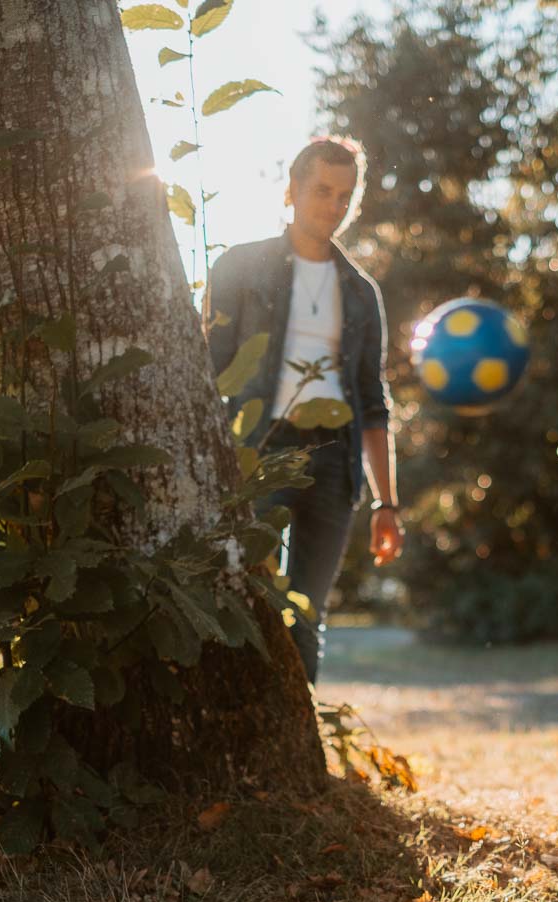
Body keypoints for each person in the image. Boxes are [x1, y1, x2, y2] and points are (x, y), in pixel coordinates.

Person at [204, 136, 404, 684]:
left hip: (334, 465)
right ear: (291, 190)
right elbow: (209, 370)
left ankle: (304, 752)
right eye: (322, 191)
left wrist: (387, 504)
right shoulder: (241, 267)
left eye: (345, 197)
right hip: (259, 452)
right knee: (248, 604)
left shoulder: (361, 293)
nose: (334, 207)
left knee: (307, 616)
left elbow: (372, 401)